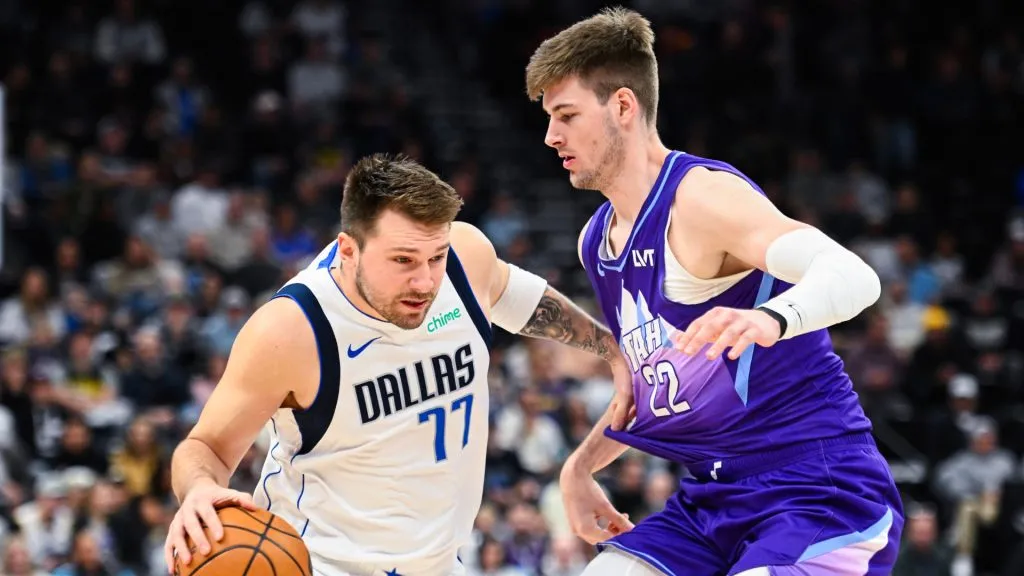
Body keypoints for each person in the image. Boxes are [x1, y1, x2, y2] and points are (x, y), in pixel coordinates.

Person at [526, 8, 904, 575]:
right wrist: (580, 467)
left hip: (814, 490)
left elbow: (855, 275)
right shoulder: (596, 242)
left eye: (567, 115)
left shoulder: (701, 199)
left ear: (623, 107)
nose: (552, 135)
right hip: (711, 501)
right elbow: (646, 393)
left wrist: (772, 318)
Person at [163, 154, 632, 576]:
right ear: (348, 249)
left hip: (441, 563)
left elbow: (518, 297)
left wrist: (612, 349)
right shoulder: (292, 330)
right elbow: (206, 447)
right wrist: (199, 489)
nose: (426, 280)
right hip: (324, 564)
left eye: (435, 256)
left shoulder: (464, 258)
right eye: (404, 260)